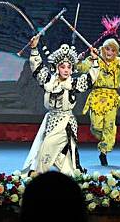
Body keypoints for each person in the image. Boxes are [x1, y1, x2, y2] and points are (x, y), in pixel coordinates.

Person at [22, 36, 99, 175]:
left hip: (66, 122)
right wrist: (34, 48)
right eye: (63, 66)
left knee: (48, 147)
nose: (66, 70)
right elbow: (37, 67)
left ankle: (38, 174)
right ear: (57, 67)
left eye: (69, 67)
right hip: (50, 120)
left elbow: (90, 78)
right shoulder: (49, 81)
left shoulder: (73, 83)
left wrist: (94, 60)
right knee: (61, 159)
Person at [76, 38, 120, 166]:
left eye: (113, 50)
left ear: (116, 52)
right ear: (103, 49)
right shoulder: (95, 59)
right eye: (107, 49)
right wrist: (80, 59)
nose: (109, 52)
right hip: (96, 95)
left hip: (111, 97)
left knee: (109, 126)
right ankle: (105, 139)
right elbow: (81, 68)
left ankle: (103, 151)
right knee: (96, 126)